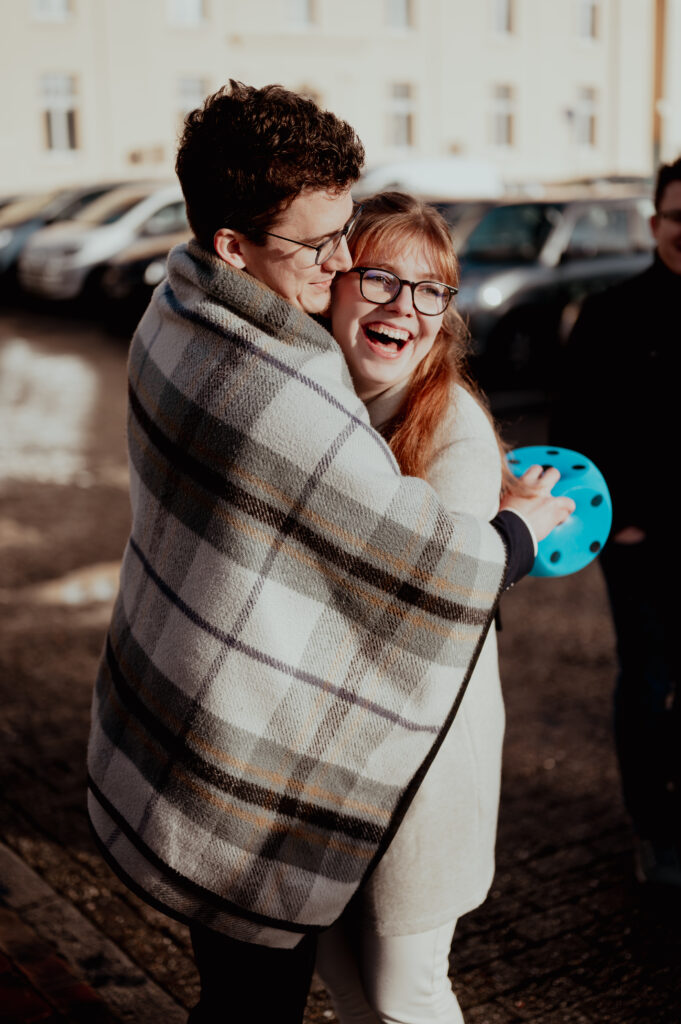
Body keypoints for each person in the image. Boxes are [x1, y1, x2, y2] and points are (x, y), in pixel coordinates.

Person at [86, 82, 573, 1024]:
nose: (343, 260)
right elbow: (423, 566)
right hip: (245, 778)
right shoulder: (286, 386)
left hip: (190, 727)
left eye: (346, 230)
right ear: (234, 245)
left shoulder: (177, 307)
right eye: (325, 248)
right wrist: (518, 536)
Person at [314, 192, 533, 1024]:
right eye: (379, 278)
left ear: (444, 315)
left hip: (424, 762)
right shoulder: (321, 406)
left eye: (428, 290)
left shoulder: (453, 432)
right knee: (343, 982)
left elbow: (430, 599)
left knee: (406, 991)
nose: (403, 306)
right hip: (332, 755)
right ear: (333, 281)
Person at [551, 156, 681, 888]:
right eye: (677, 216)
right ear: (655, 220)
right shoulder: (610, 314)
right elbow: (572, 432)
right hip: (640, 543)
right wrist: (620, 523)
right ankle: (651, 828)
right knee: (647, 682)